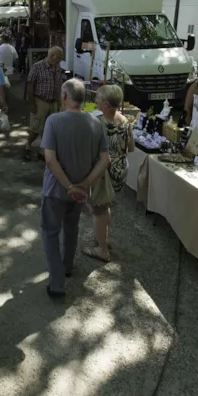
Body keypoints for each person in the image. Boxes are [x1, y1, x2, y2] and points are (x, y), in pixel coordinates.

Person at [40, 79, 110, 298]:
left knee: (51, 233)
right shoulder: (95, 123)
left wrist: (69, 185)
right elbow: (105, 159)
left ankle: (57, 283)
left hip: (55, 190)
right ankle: (67, 266)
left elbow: (50, 159)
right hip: (80, 193)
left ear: (64, 96)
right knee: (71, 229)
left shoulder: (53, 121)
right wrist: (84, 185)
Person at [83, 85, 134, 263]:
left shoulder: (97, 122)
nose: (95, 101)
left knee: (99, 209)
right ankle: (105, 238)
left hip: (103, 170)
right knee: (107, 204)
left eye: (98, 98)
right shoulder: (125, 121)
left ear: (105, 103)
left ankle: (102, 250)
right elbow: (131, 148)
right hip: (120, 169)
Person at [24, 47, 65, 160]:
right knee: (35, 127)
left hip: (54, 102)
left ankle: (43, 150)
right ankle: (28, 145)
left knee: (50, 128)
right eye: (59, 58)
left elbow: (59, 84)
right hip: (40, 101)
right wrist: (31, 103)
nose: (60, 61)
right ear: (52, 56)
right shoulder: (38, 66)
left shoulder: (57, 67)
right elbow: (30, 84)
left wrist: (60, 102)